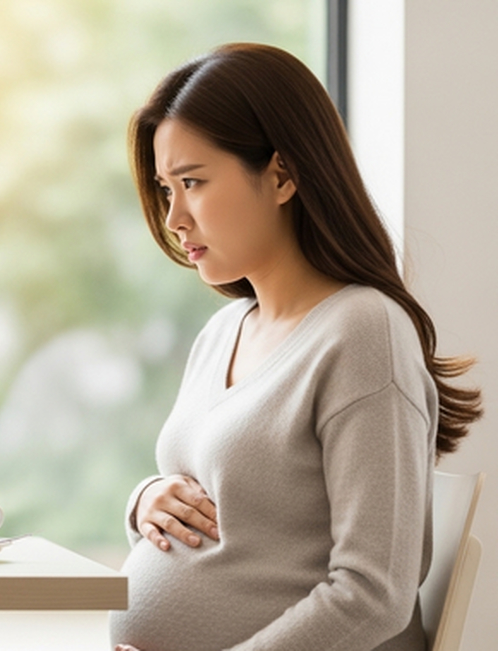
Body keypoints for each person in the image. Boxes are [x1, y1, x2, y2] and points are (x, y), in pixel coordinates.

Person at [108, 43, 481, 651]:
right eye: (166, 189)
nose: (174, 218)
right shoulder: (224, 331)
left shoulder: (364, 332)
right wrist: (147, 500)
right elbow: (239, 534)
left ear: (282, 176)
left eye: (192, 182)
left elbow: (374, 594)